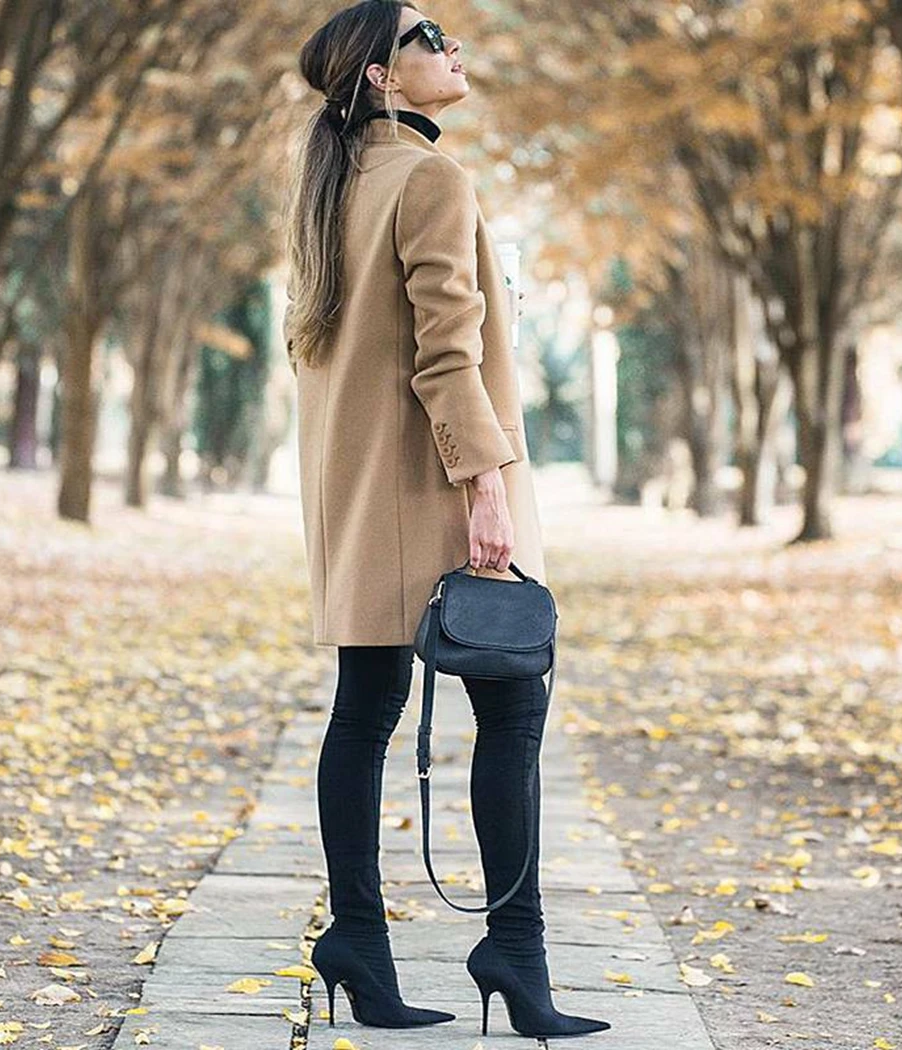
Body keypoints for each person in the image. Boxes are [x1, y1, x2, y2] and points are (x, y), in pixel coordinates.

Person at [282, 1, 611, 1038]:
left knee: (365, 708)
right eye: (428, 37)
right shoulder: (430, 179)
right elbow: (446, 351)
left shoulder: (334, 186)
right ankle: (515, 950)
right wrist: (487, 485)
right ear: (381, 76)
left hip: (356, 494)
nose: (452, 46)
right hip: (433, 487)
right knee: (512, 710)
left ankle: (358, 942)